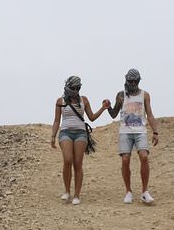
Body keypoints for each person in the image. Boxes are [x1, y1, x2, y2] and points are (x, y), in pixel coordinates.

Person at [51, 76, 109, 205]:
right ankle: (67, 191)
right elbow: (56, 120)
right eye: (73, 88)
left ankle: (77, 195)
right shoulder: (60, 101)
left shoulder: (84, 100)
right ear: (68, 87)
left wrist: (103, 108)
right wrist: (53, 136)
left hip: (80, 133)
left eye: (78, 88)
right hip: (65, 131)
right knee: (67, 160)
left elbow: (91, 117)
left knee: (78, 163)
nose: (76, 90)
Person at [107, 68, 159, 204]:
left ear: (138, 81)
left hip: (140, 131)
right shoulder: (121, 95)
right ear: (127, 80)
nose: (132, 83)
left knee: (144, 156)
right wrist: (107, 107)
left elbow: (150, 114)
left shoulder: (144, 95)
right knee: (125, 160)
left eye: (135, 81)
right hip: (125, 131)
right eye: (130, 81)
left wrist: (155, 131)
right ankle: (128, 191)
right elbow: (114, 114)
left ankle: (144, 191)